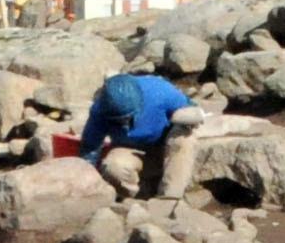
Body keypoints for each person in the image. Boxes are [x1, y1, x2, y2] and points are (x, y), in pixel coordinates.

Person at [78, 65, 201, 197]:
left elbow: (191, 108)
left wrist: (187, 118)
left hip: (165, 147)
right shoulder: (99, 109)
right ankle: (136, 197)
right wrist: (85, 182)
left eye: (128, 118)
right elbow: (90, 148)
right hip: (131, 151)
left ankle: (170, 198)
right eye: (118, 121)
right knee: (113, 166)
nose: (125, 125)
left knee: (184, 139)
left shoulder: (159, 91)